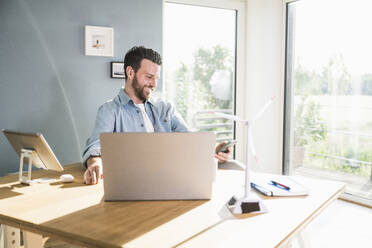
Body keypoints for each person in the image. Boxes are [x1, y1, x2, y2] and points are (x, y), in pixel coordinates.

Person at [82, 46, 232, 185]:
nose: (154, 84)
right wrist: (95, 163)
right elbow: (95, 146)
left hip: (171, 180)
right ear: (130, 72)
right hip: (131, 184)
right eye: (149, 77)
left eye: (156, 78)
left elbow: (189, 141)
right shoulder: (109, 111)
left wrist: (212, 150)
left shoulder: (166, 109)